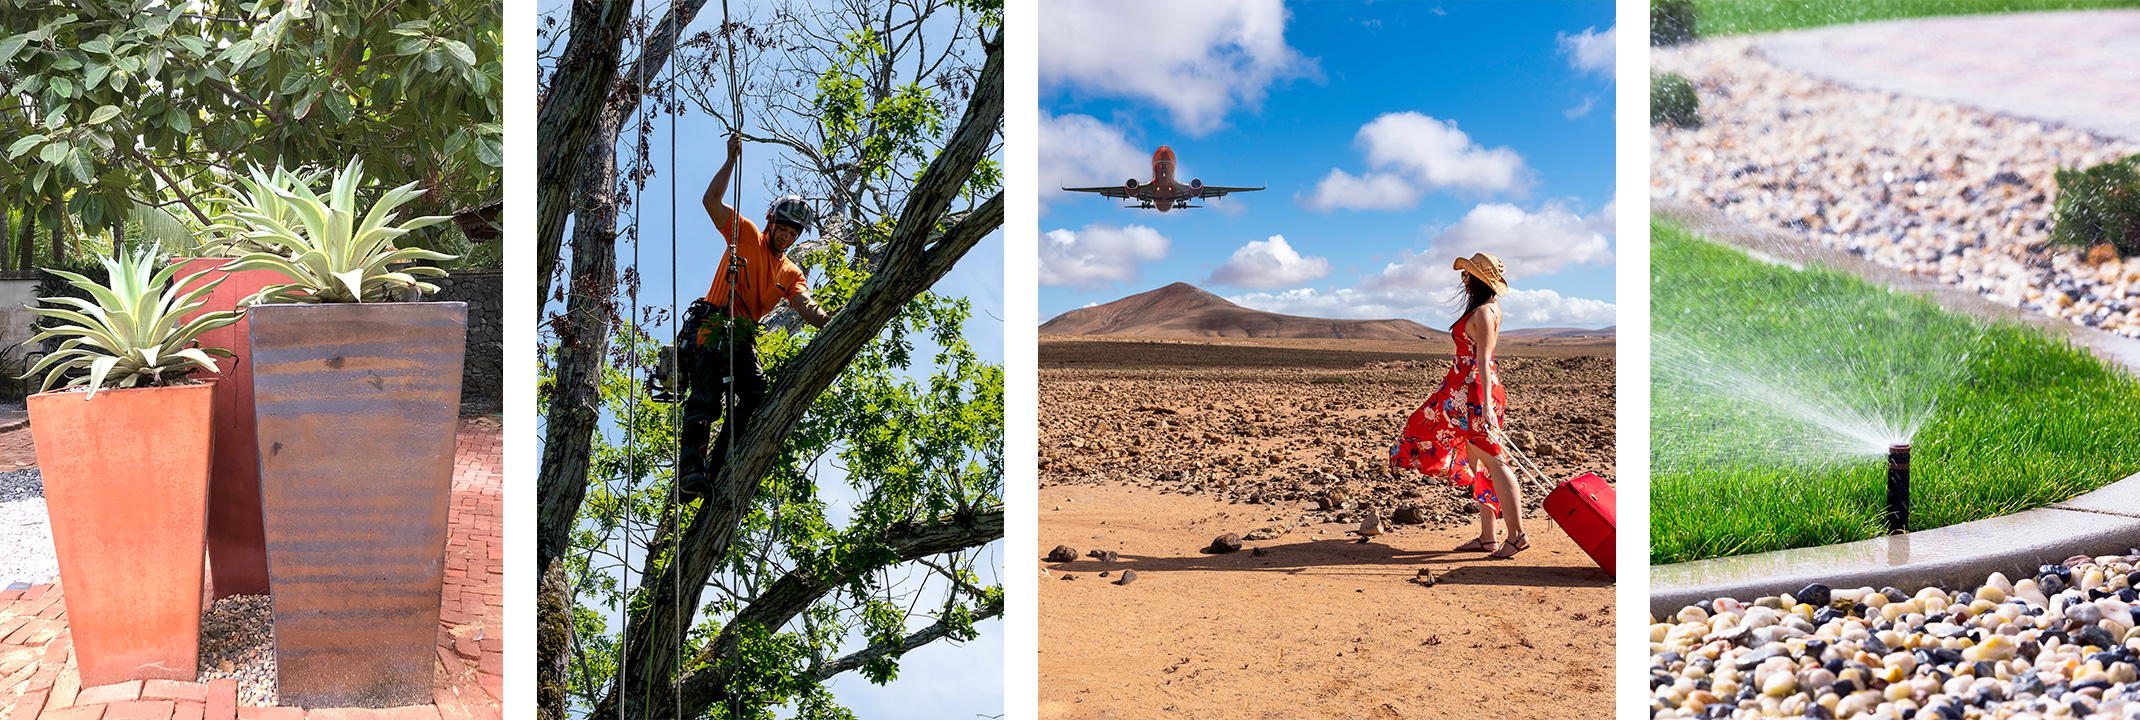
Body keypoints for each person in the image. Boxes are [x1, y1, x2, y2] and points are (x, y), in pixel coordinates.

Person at [677, 132, 835, 500]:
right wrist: (730, 160)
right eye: (783, 228)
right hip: (712, 325)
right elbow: (710, 201)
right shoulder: (745, 235)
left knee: (755, 392)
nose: (787, 236)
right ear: (771, 222)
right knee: (705, 398)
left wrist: (830, 320)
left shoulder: (791, 273)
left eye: (793, 233)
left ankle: (717, 465)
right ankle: (690, 471)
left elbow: (803, 304)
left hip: (742, 337)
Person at [1388, 252, 1529, 559]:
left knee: (1495, 461)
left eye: (1467, 275)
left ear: (1477, 279)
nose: (1463, 280)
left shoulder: (1483, 314)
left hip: (1476, 395)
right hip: (1465, 394)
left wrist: (1487, 408)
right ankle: (1488, 537)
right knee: (1480, 463)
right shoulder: (1487, 309)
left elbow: (1482, 359)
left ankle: (1517, 535)